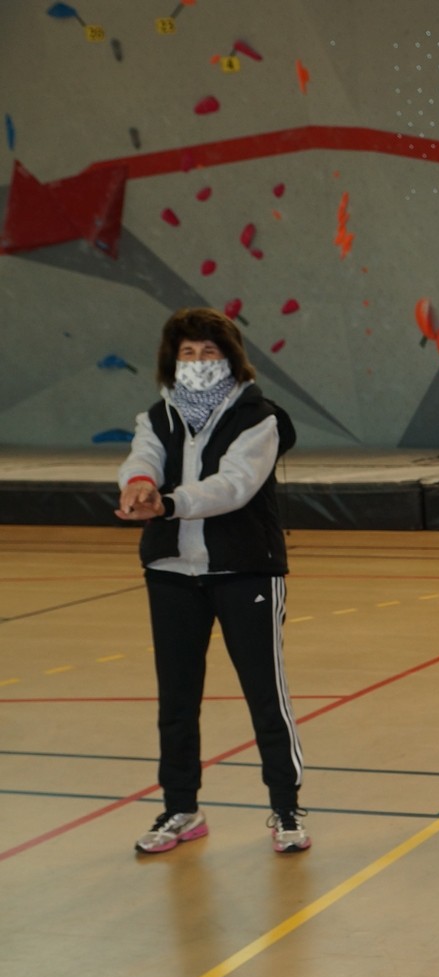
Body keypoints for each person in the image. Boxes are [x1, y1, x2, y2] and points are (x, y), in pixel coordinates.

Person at [118, 307, 311, 856]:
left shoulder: (259, 417)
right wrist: (137, 486)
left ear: (229, 359)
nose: (198, 362)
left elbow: (235, 485)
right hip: (172, 574)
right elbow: (144, 457)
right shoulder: (157, 416)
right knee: (177, 698)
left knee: (264, 694)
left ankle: (285, 806)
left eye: (209, 353)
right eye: (187, 353)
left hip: (244, 570)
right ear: (171, 361)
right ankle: (181, 807)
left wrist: (170, 502)